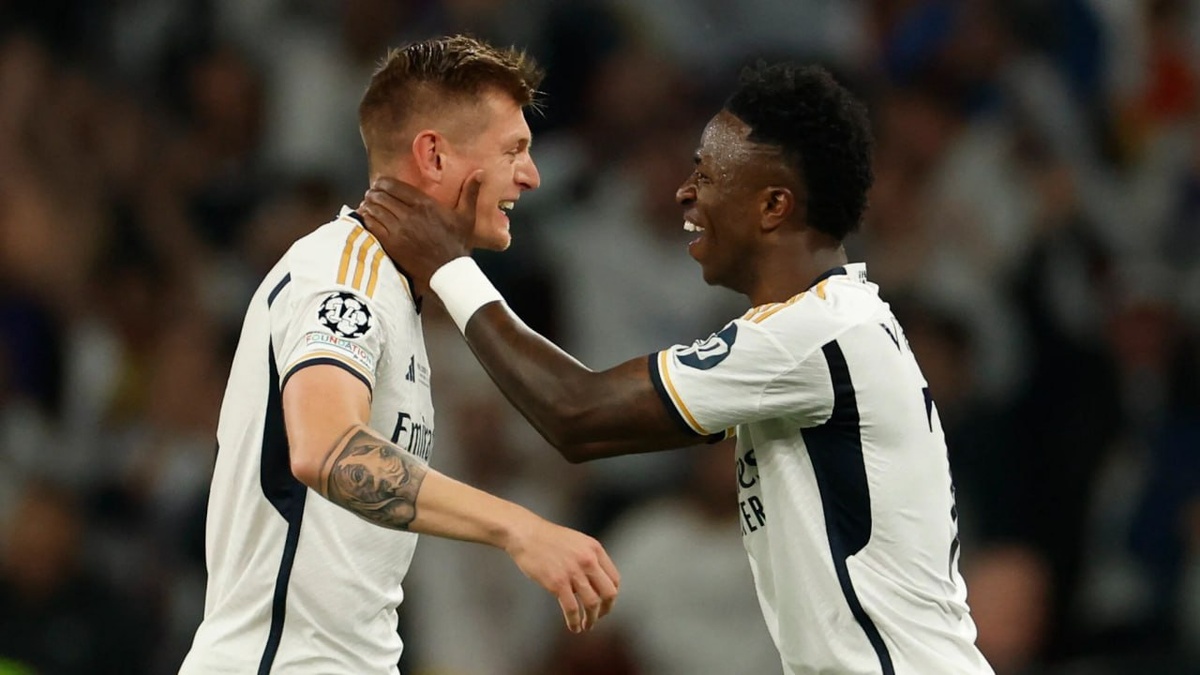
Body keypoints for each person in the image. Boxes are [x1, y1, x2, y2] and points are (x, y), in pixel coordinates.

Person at [358, 62, 995, 674]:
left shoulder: (814, 334)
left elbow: (578, 412)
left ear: (774, 205)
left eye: (708, 175)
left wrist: (448, 267)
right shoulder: (830, 326)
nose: (684, 192)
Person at [178, 35, 619, 675]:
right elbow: (326, 449)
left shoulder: (395, 291)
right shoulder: (343, 274)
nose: (531, 175)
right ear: (433, 155)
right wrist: (518, 527)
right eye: (513, 150)